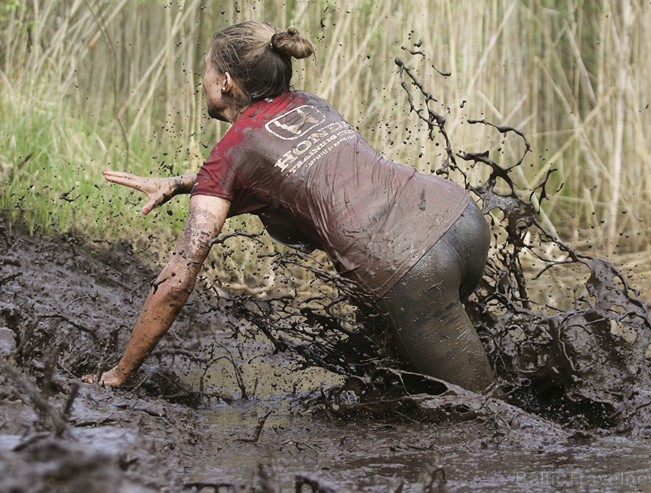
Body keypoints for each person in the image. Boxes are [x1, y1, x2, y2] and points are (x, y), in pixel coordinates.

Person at [85, 21, 495, 393]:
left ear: (226, 82)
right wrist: (181, 184)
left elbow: (176, 282)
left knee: (483, 413)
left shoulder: (231, 154)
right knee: (402, 377)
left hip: (410, 268)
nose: (203, 79)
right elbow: (298, 174)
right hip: (458, 218)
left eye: (207, 69)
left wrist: (119, 374)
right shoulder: (309, 103)